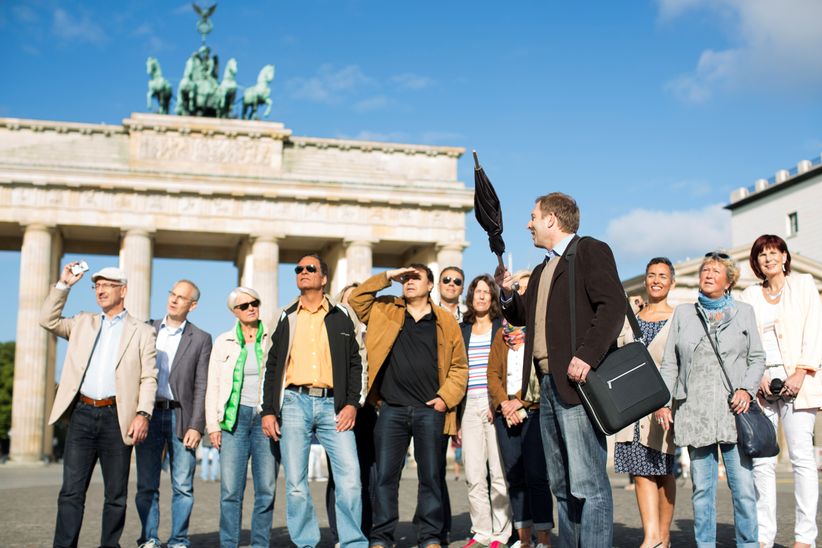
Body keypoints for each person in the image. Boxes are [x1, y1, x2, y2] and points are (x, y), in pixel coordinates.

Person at [494, 192, 625, 547]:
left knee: (588, 483)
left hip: (577, 382)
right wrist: (506, 294)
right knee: (561, 483)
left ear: (551, 219)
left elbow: (613, 306)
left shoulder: (589, 251)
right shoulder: (541, 269)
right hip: (547, 386)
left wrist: (588, 354)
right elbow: (522, 316)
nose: (528, 224)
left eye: (533, 216)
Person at [349, 264, 468, 548]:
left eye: (417, 278)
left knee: (431, 477)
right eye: (407, 278)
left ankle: (429, 536)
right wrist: (388, 276)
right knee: (386, 478)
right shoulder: (385, 309)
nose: (410, 282)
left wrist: (445, 399)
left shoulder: (445, 321)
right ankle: (381, 537)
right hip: (391, 409)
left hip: (430, 411)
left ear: (430, 286)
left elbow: (459, 367)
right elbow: (357, 301)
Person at [41, 263, 157, 548]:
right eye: (97, 286)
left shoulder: (142, 331)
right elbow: (47, 319)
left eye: (107, 285)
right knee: (70, 491)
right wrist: (64, 284)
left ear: (124, 290)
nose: (101, 290)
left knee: (115, 495)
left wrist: (143, 413)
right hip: (81, 414)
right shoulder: (82, 321)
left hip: (116, 417)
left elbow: (149, 377)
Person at [658, 252, 766, 547]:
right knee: (702, 490)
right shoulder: (683, 313)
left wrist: (746, 388)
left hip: (734, 412)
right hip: (695, 412)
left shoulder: (744, 311)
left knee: (742, 487)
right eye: (705, 270)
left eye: (716, 271)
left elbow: (757, 358)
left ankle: (748, 544)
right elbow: (670, 363)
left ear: (729, 280)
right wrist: (664, 402)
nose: (708, 274)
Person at [260, 253, 367, 548]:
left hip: (335, 405)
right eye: (299, 269)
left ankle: (353, 542)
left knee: (350, 479)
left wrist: (352, 404)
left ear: (323, 278)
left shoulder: (343, 315)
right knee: (295, 483)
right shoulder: (284, 315)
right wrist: (268, 410)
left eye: (310, 268)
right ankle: (306, 542)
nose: (303, 272)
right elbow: (271, 365)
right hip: (294, 401)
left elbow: (359, 362)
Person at [739, 235, 822, 548]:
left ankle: (805, 537)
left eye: (774, 253)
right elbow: (745, 338)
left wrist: (802, 371)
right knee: (762, 460)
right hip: (762, 386)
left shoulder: (803, 284)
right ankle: (763, 536)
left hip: (800, 381)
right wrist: (756, 373)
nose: (768, 259)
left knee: (801, 458)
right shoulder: (749, 294)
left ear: (785, 257)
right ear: (756, 262)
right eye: (762, 255)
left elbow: (816, 328)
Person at [135, 280, 213, 548]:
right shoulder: (146, 329)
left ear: (193, 305)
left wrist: (196, 426)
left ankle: (179, 540)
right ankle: (149, 538)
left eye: (181, 297)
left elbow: (202, 384)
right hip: (149, 414)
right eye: (172, 294)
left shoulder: (201, 338)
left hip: (181, 416)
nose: (174, 300)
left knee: (183, 486)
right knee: (146, 484)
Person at [205, 287, 279, 548]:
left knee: (267, 488)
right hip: (233, 421)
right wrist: (213, 425)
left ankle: (260, 544)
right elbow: (212, 385)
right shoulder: (223, 341)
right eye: (244, 305)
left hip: (265, 419)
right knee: (230, 491)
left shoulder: (273, 337)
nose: (251, 308)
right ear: (234, 311)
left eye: (254, 303)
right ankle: (229, 543)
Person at [487, 271, 553, 548]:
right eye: (518, 288)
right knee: (514, 476)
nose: (521, 293)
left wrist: (520, 402)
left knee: (537, 476)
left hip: (534, 412)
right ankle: (523, 539)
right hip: (507, 415)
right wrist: (504, 402)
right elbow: (492, 374)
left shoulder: (541, 330)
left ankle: (544, 538)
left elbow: (540, 374)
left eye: (526, 289)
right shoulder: (501, 334)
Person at [613, 258, 677, 548]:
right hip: (633, 404)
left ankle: (663, 538)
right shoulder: (632, 316)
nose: (656, 280)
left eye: (663, 276)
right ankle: (650, 536)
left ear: (671, 282)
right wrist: (628, 309)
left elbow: (681, 363)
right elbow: (619, 350)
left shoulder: (678, 318)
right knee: (640, 470)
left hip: (664, 404)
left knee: (663, 470)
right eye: (652, 275)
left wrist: (670, 401)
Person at [458, 274, 512, 548]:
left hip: (493, 404)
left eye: (486, 292)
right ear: (471, 296)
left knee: (499, 473)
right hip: (468, 405)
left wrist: (497, 401)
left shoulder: (500, 328)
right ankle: (481, 531)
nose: (480, 296)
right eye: (476, 291)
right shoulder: (461, 329)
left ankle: (501, 533)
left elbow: (505, 369)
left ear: (492, 298)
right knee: (473, 473)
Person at [325, 282, 379, 544]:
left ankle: (363, 532)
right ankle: (339, 532)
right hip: (340, 409)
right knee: (341, 475)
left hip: (370, 412)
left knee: (369, 475)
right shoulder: (333, 330)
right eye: (350, 301)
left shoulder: (375, 332)